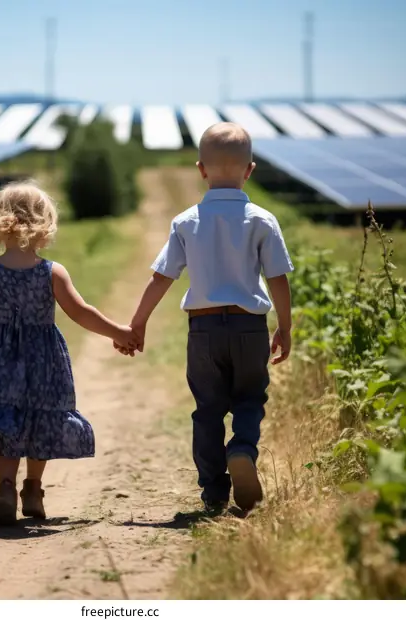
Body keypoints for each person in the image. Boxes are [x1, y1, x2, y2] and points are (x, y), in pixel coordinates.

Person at [0, 181, 139, 525]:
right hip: (43, 359)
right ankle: (33, 487)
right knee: (42, 415)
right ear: (45, 225)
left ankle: (5, 486)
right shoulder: (51, 272)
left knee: (7, 418)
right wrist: (119, 332)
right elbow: (80, 311)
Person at [117, 122, 294, 514]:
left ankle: (215, 491)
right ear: (250, 170)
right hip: (250, 328)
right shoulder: (263, 220)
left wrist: (137, 323)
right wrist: (284, 326)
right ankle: (243, 449)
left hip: (204, 330)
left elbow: (162, 277)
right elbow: (277, 278)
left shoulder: (185, 221)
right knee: (250, 398)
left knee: (208, 409)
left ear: (201, 169)